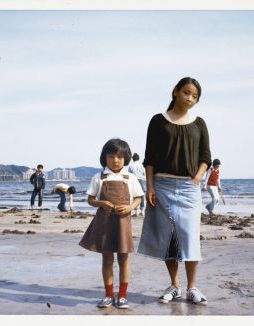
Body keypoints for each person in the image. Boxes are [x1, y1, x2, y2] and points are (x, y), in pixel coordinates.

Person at [137, 77, 211, 305]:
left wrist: (197, 178)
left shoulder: (199, 123)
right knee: (168, 239)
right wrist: (149, 186)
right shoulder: (158, 121)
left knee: (190, 239)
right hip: (162, 186)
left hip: (189, 189)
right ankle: (175, 286)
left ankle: (192, 287)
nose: (190, 98)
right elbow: (149, 158)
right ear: (176, 92)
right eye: (187, 93)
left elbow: (205, 156)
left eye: (195, 96)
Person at [79, 139, 144, 309]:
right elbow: (90, 199)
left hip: (123, 222)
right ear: (104, 158)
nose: (115, 160)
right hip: (104, 222)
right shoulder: (98, 177)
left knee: (124, 258)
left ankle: (122, 296)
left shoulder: (130, 177)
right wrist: (101, 203)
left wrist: (130, 207)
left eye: (120, 157)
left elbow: (138, 198)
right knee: (107, 259)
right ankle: (108, 295)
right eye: (111, 156)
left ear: (126, 158)